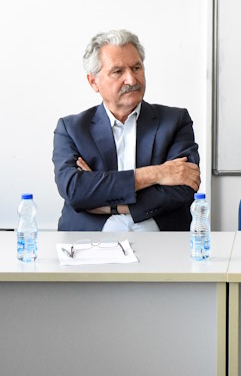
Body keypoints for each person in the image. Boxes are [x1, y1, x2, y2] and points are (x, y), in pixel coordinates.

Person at [52, 29, 200, 232]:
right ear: (94, 82)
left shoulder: (175, 121)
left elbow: (185, 187)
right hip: (90, 238)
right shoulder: (71, 129)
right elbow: (75, 190)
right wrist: (157, 173)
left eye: (136, 68)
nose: (131, 79)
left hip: (161, 237)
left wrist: (108, 202)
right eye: (117, 71)